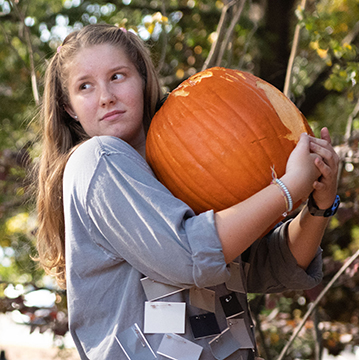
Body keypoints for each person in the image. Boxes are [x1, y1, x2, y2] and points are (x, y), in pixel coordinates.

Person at [35, 23, 339, 360]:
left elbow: (268, 269)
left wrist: (318, 207)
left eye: (118, 76)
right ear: (69, 107)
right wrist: (290, 186)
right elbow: (189, 255)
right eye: (85, 86)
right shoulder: (100, 159)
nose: (106, 96)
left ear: (143, 80)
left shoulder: (180, 166)